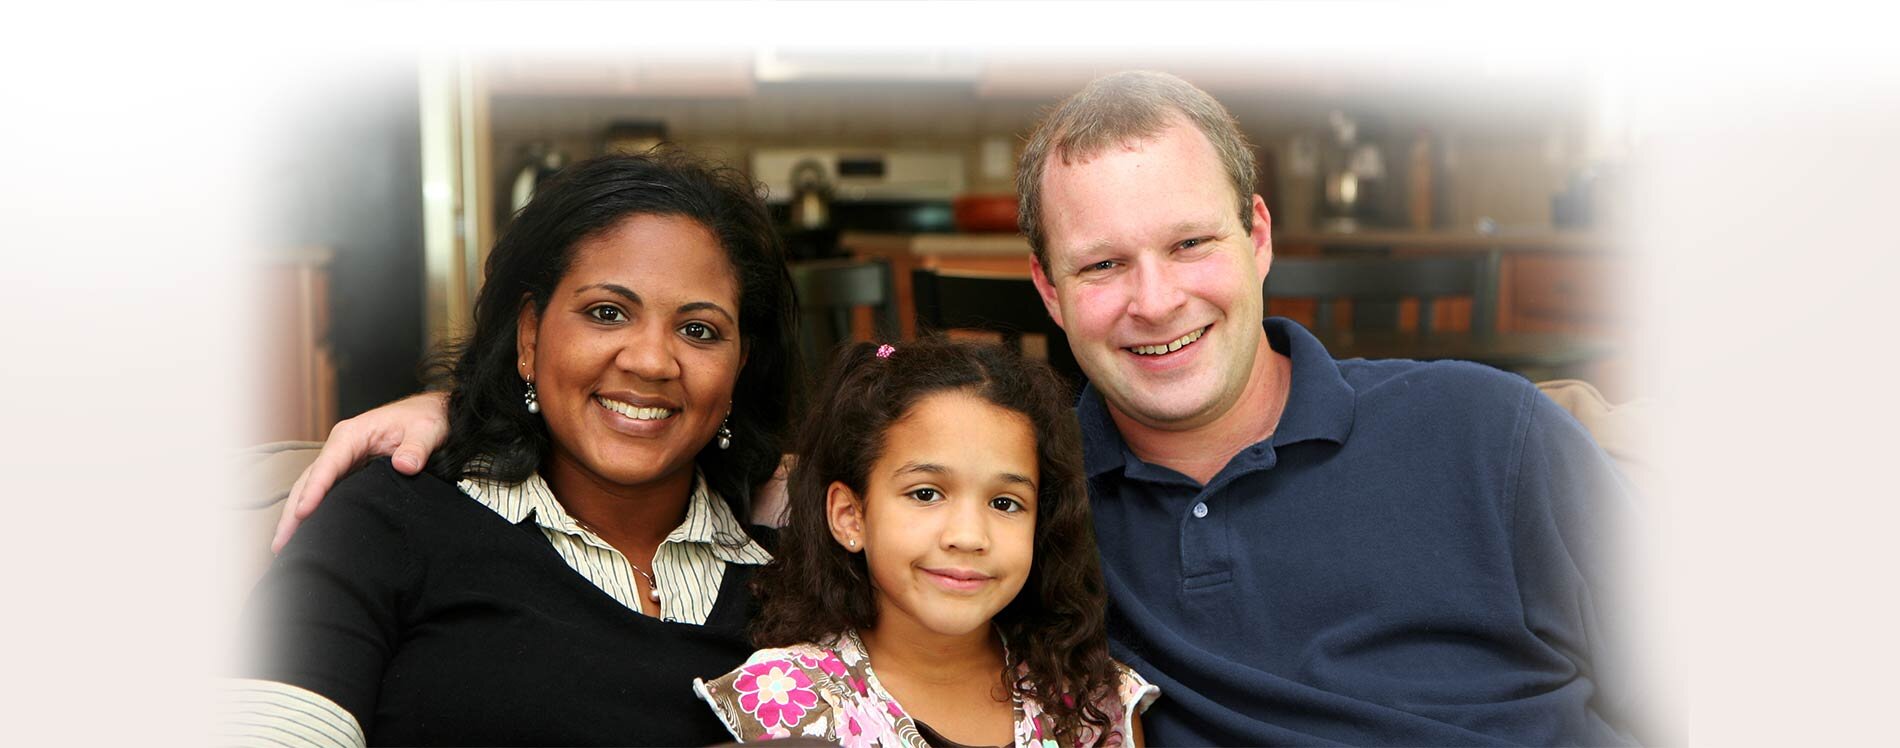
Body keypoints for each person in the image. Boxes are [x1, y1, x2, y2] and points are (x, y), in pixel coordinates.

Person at [276, 72, 1648, 745]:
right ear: (1047, 292)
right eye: (1103, 265)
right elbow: (793, 469)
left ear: (1261, 236)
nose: (1154, 301)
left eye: (1189, 246)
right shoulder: (1022, 492)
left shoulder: (1498, 437)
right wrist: (477, 408)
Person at [231, 149, 801, 746]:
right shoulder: (386, 521)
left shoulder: (809, 566)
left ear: (741, 364)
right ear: (530, 335)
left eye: (698, 330)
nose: (652, 361)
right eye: (607, 313)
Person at [695, 339, 1157, 747]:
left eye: (1005, 502)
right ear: (850, 515)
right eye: (926, 494)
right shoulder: (791, 699)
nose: (968, 537)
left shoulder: (1089, 704)